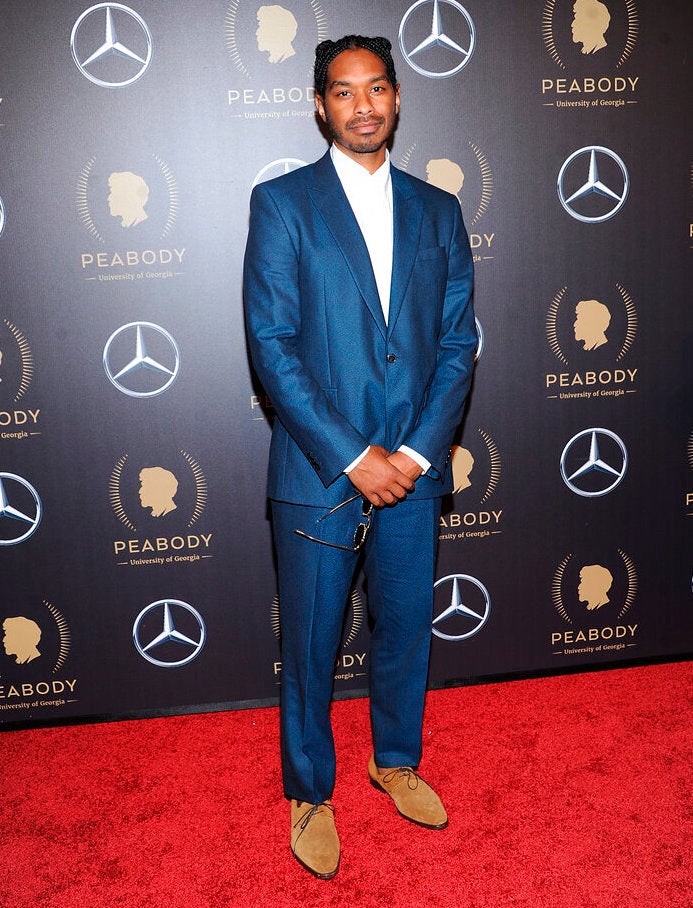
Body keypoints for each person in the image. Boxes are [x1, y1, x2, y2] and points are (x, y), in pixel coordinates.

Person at [243, 34, 476, 880]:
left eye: (376, 89)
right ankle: (309, 789)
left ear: (398, 97)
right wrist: (353, 455)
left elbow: (457, 343)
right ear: (319, 105)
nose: (363, 105)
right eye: (343, 93)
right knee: (310, 640)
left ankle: (396, 760)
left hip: (413, 469)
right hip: (319, 470)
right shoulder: (282, 205)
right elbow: (271, 346)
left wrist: (412, 453)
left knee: (406, 626)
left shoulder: (437, 209)